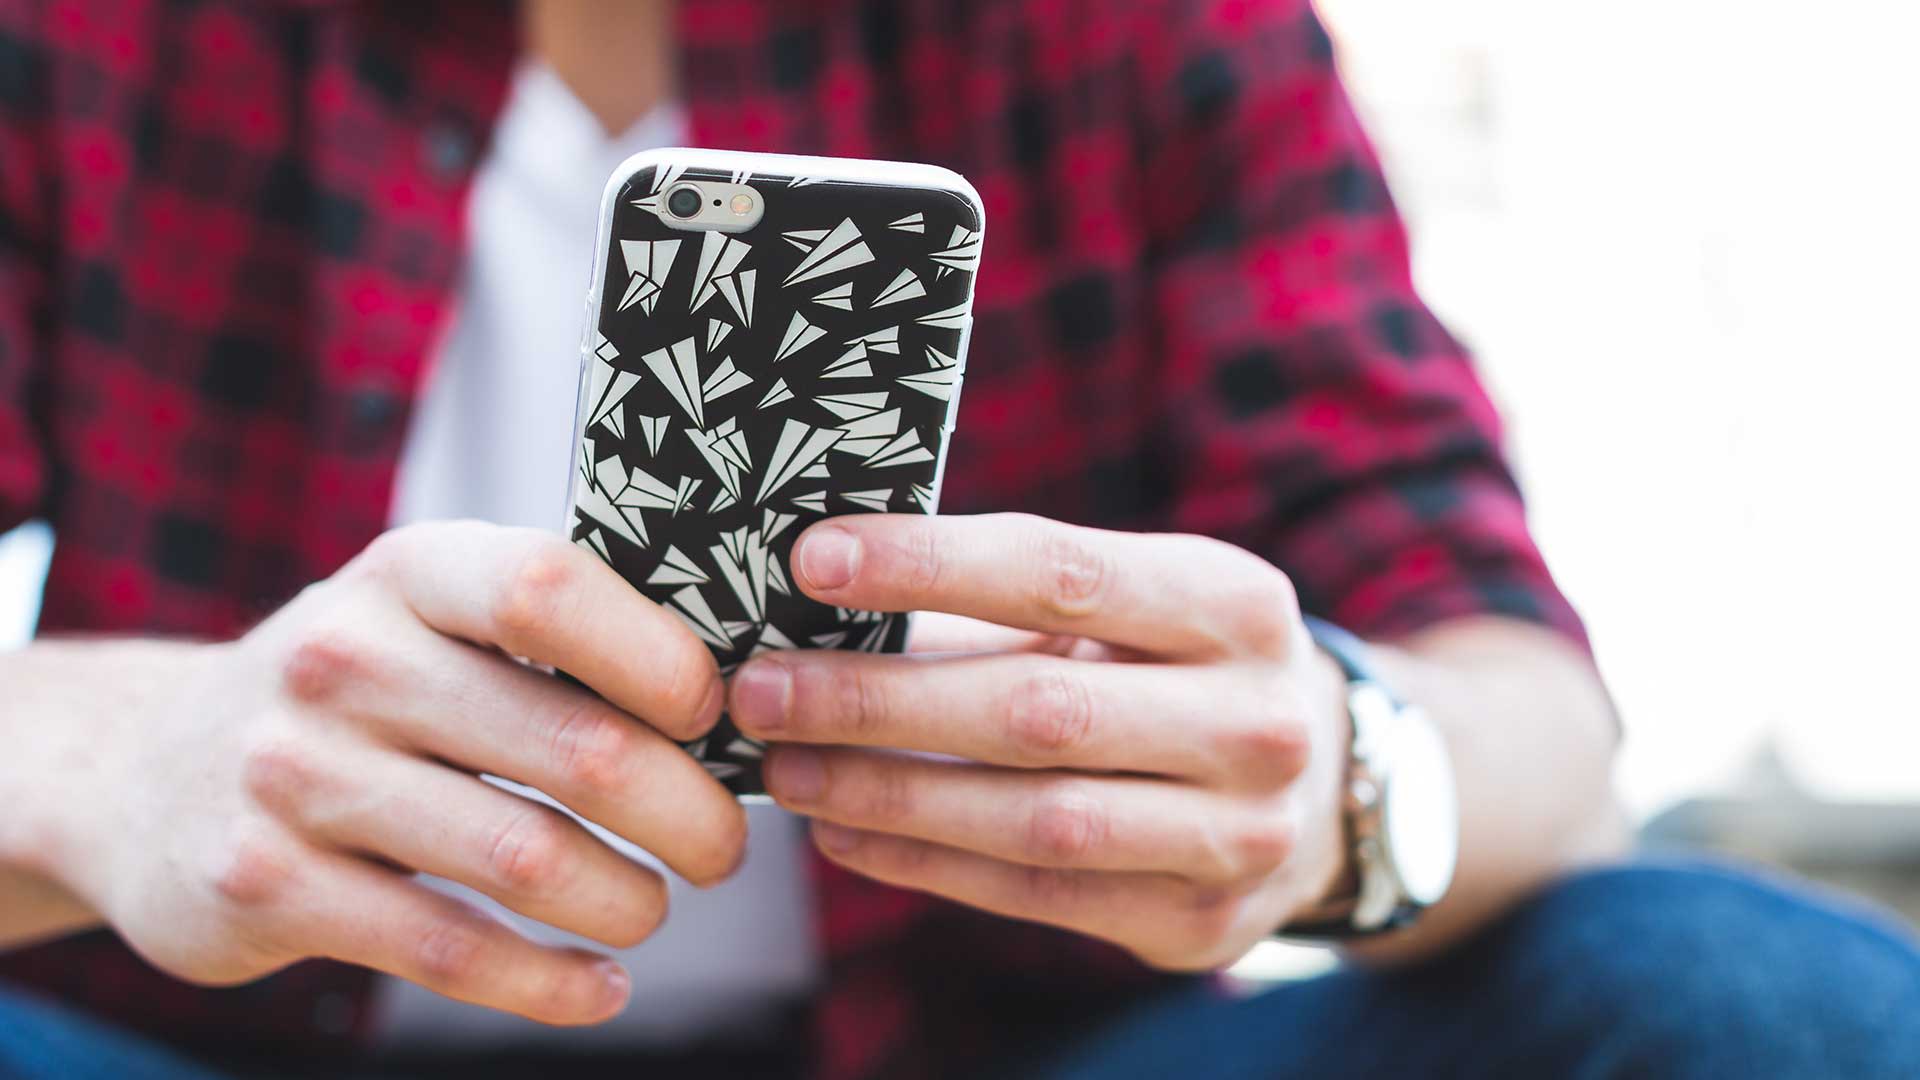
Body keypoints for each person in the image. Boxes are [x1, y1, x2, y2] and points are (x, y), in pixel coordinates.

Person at [0, 1, 1916, 1078]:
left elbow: (1526, 698)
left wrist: (1338, 779)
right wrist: (115, 768)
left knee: (1733, 995)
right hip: (213, 1053)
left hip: (995, 1060)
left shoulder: (1143, 25)